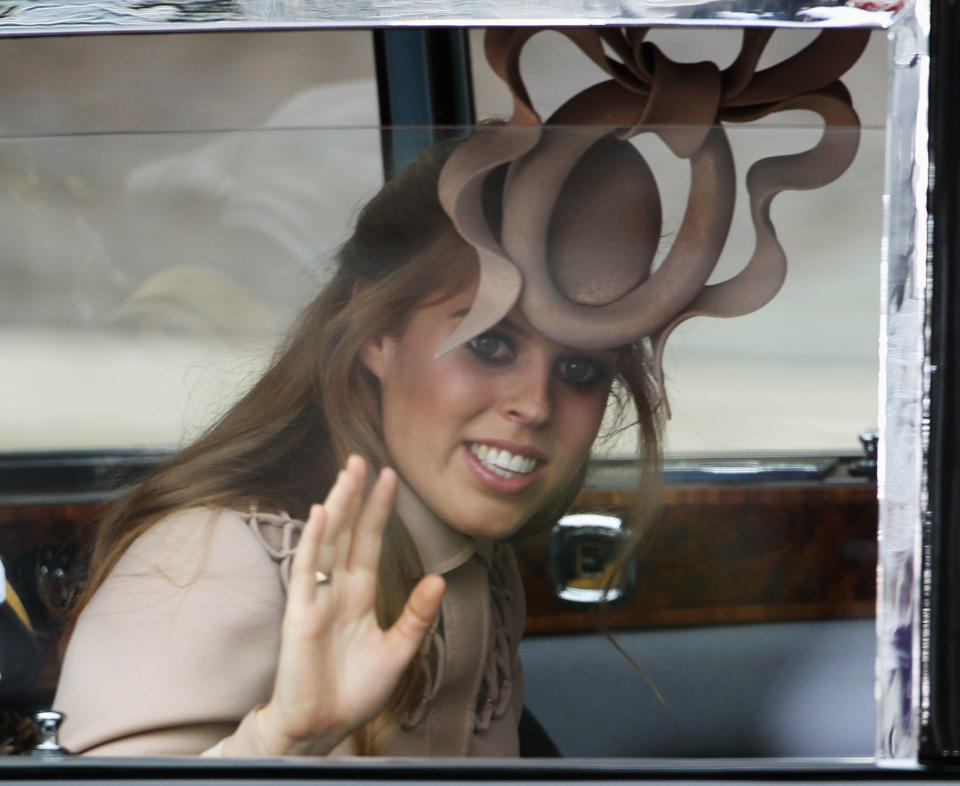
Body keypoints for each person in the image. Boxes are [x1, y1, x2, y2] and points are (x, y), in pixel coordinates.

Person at [52, 26, 866, 758]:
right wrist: (282, 741)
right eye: (488, 341)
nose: (535, 404)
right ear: (375, 335)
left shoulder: (474, 567)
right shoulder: (222, 560)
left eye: (581, 368)